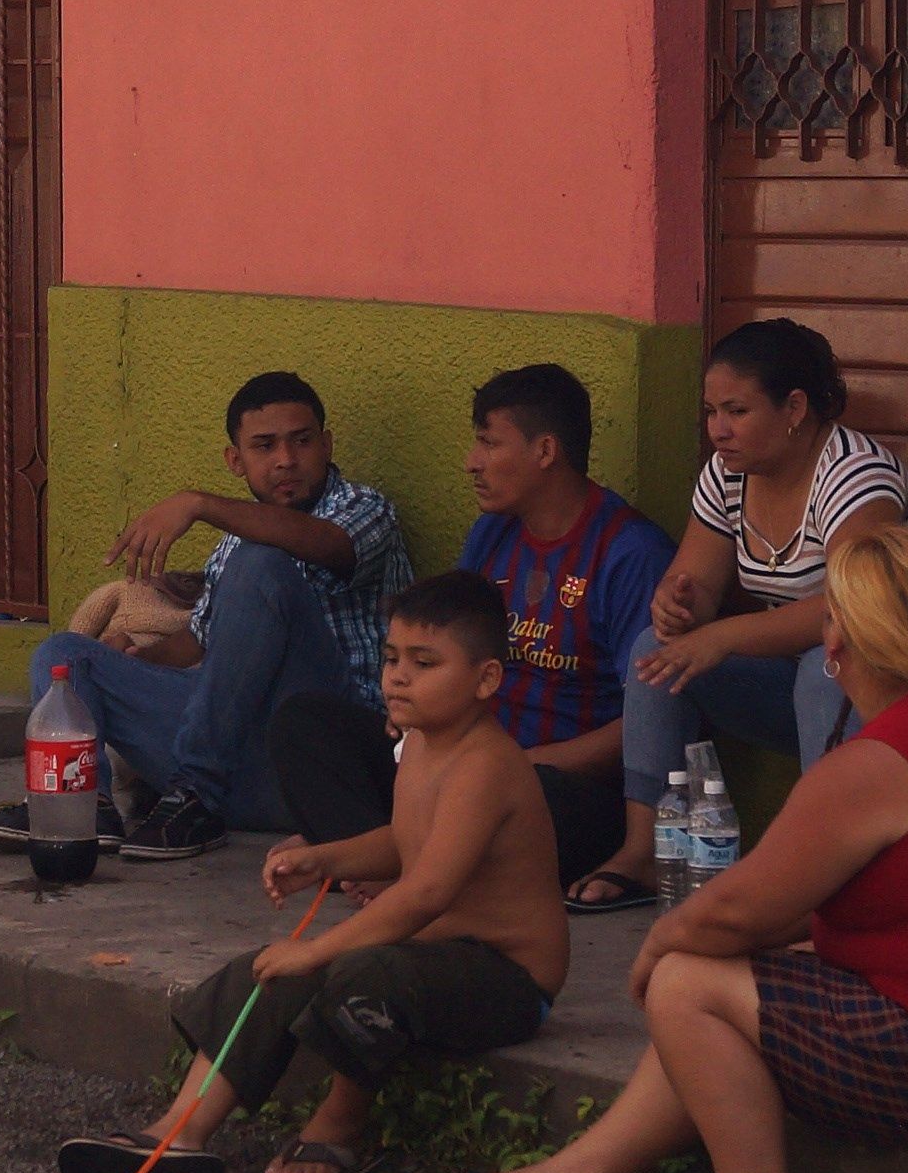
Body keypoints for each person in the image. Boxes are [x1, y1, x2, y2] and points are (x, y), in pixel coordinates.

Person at [423, 529, 908, 1173]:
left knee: (687, 986)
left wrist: (658, 948)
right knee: (714, 987)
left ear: (837, 638)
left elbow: (734, 911)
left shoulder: (878, 763)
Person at [56, 572, 568, 1173]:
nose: (398, 676)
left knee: (363, 971)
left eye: (425, 663)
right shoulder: (422, 743)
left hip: (507, 977)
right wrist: (326, 861)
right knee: (267, 972)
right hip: (431, 955)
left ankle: (343, 1122)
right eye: (392, 658)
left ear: (486, 679)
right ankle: (178, 1134)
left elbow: (426, 890)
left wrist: (319, 948)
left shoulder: (486, 762)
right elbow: (407, 842)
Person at [0, 371, 414, 862]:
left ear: (325, 445)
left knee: (262, 562)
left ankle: (196, 793)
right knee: (67, 656)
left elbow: (329, 545)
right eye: (265, 446)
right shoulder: (233, 543)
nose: (286, 460)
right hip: (244, 761)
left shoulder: (365, 508)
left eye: (302, 442)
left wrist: (196, 504)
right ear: (235, 461)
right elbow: (202, 643)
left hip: (326, 754)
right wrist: (134, 657)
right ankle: (80, 809)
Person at [569, 319, 908, 913]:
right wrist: (678, 607)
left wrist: (723, 636)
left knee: (829, 663)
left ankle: (825, 870)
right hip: (788, 687)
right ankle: (642, 850)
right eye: (712, 411)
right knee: (650, 654)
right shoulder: (728, 476)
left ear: (794, 407)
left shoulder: (856, 476)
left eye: (736, 411)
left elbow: (854, 610)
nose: (718, 430)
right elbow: (697, 582)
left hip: (890, 698)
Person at [268, 364, 671, 892]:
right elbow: (454, 652)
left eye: (488, 444)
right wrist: (420, 718)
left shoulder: (629, 552)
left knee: (530, 798)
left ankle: (384, 860)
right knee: (304, 723)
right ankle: (392, 857)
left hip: (563, 786)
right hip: (465, 764)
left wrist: (516, 764)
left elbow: (648, 722)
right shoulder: (493, 533)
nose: (471, 463)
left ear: (545, 451)